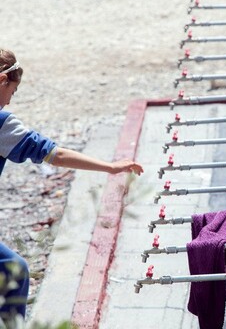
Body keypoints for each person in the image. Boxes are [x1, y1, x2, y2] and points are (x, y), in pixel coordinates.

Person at [0, 48, 144, 326]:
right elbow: (54, 154)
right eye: (13, 91)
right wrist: (110, 167)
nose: (8, 102)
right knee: (15, 271)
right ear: (3, 80)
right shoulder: (3, 125)